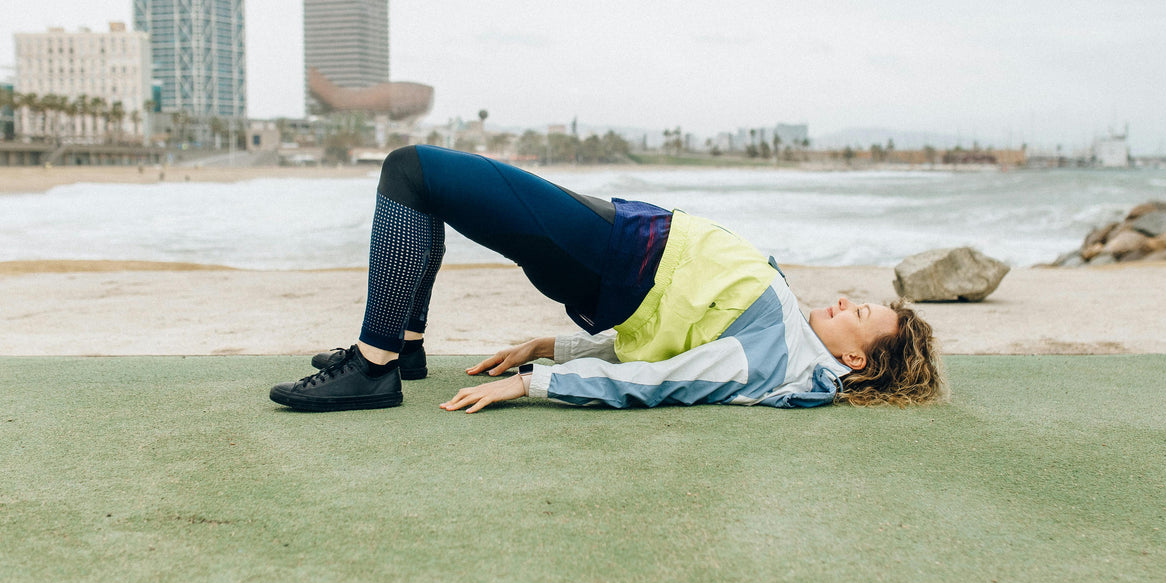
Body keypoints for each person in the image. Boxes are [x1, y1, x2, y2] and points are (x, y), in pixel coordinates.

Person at [268, 145, 942, 414]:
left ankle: (376, 363)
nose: (848, 302)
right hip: (617, 239)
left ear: (855, 360)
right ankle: (403, 348)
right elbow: (664, 341)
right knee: (430, 188)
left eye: (860, 317)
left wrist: (535, 383)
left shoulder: (775, 349)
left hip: (611, 253)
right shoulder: (784, 331)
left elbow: (660, 377)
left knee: (411, 172)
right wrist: (543, 345)